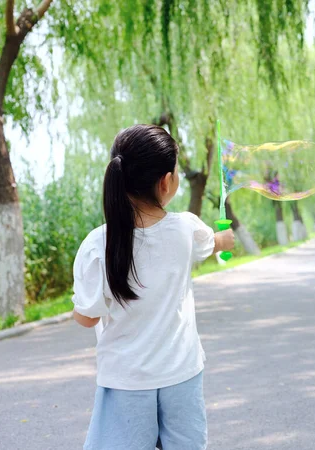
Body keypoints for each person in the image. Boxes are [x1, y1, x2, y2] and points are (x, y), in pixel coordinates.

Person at [72, 124, 235, 449]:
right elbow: (214, 243)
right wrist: (224, 240)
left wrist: (79, 307)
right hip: (182, 374)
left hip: (126, 380)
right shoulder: (186, 229)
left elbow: (87, 317)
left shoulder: (97, 245)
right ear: (166, 182)